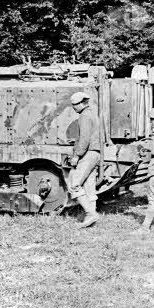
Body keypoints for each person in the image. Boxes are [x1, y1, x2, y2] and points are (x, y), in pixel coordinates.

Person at [68, 91, 103, 229]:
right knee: (89, 187)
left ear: (82, 103)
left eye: (75, 105)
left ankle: (90, 213)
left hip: (87, 154)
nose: (74, 107)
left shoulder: (84, 116)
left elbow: (84, 139)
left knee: (74, 185)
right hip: (95, 153)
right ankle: (91, 219)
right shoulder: (93, 114)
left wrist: (77, 155)